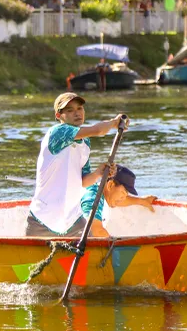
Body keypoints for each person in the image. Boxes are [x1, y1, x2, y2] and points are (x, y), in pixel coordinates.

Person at [26, 92, 125, 237]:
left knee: (94, 248)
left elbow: (84, 181)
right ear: (59, 116)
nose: (77, 113)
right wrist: (115, 122)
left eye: (79, 108)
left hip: (72, 220)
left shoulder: (85, 142)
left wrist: (98, 173)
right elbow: (98, 130)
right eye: (70, 110)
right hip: (43, 219)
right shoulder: (58, 132)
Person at [80, 165, 157, 237]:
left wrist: (142, 201)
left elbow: (122, 201)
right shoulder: (93, 197)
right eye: (123, 192)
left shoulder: (103, 192)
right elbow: (96, 230)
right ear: (110, 185)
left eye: (126, 194)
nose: (123, 198)